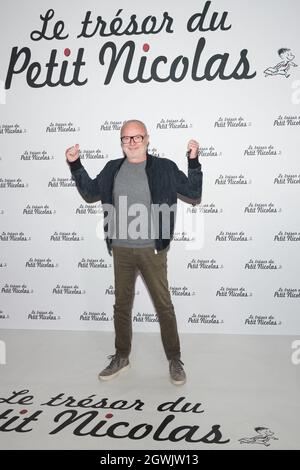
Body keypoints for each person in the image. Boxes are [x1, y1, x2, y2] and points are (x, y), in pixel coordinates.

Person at [65, 119, 203, 385]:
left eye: (136, 137)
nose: (131, 142)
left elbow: (193, 192)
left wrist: (194, 162)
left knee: (164, 306)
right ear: (121, 142)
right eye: (126, 138)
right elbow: (91, 192)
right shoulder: (112, 169)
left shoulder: (164, 167)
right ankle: (121, 356)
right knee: (122, 306)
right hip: (121, 249)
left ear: (147, 139)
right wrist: (75, 164)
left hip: (152, 250)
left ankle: (174, 359)